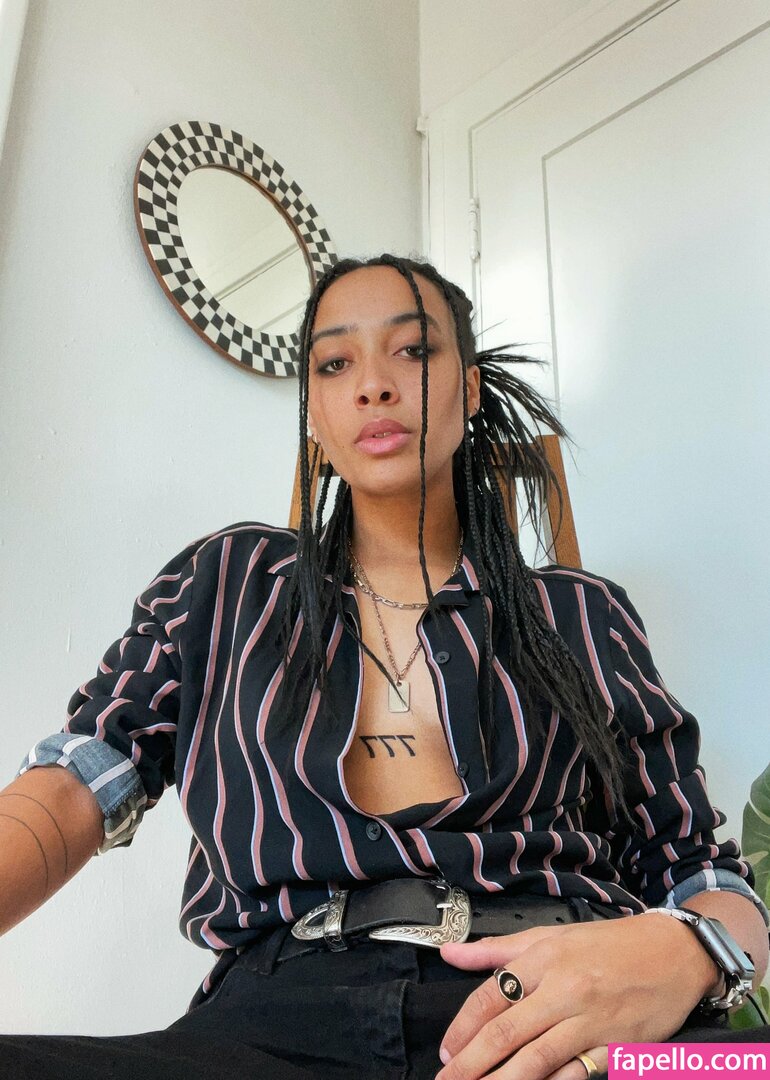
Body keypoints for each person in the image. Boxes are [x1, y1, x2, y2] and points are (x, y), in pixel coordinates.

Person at [0, 254, 767, 1080]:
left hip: (559, 1011)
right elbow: (79, 782)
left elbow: (701, 870)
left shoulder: (584, 614)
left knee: (745, 1071)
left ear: (470, 390)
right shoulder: (224, 584)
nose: (373, 384)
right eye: (335, 364)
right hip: (269, 1029)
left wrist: (694, 950)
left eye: (413, 350)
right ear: (315, 414)